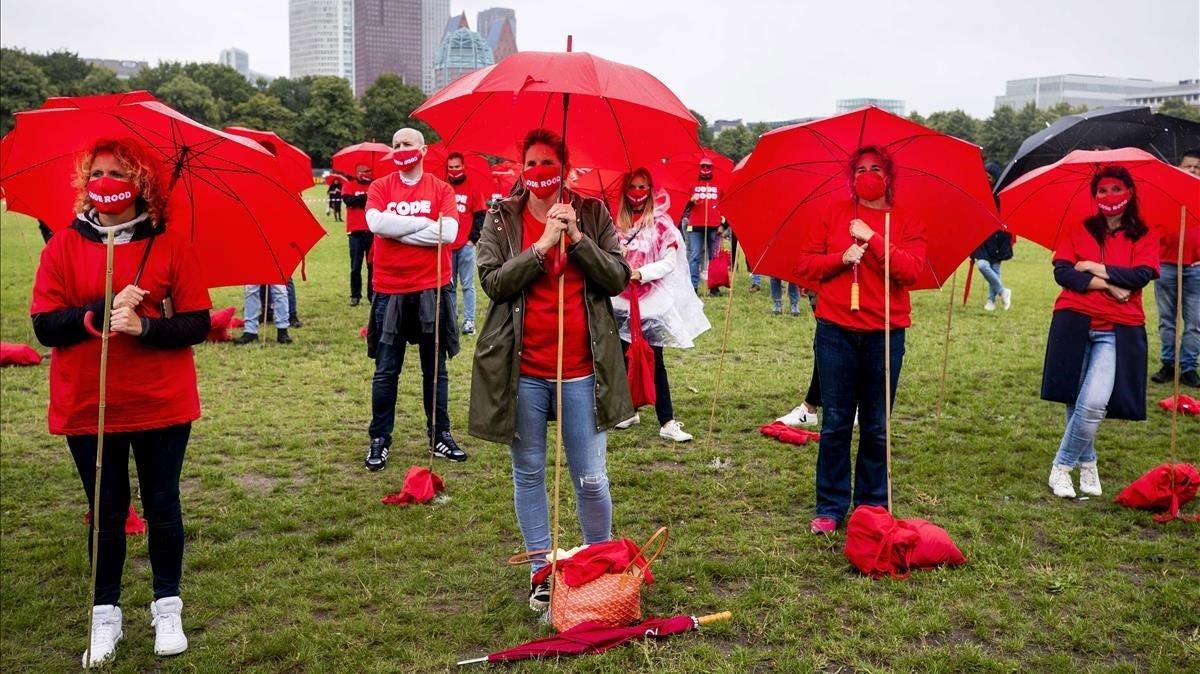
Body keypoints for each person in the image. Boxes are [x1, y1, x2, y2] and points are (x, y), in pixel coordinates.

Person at [30, 138, 211, 666]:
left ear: (142, 184)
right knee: (106, 512)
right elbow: (44, 326)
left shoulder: (170, 245)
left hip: (161, 403)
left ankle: (166, 604)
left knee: (162, 505)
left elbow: (197, 321)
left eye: (117, 173)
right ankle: (104, 613)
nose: (105, 182)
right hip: (90, 405)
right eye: (97, 173)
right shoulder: (62, 245)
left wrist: (144, 325)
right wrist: (99, 310)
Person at [468, 128, 632, 611]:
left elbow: (617, 277)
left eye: (548, 164)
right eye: (531, 164)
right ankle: (542, 568)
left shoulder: (594, 212)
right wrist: (540, 247)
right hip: (523, 372)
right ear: (521, 169)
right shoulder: (501, 219)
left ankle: (599, 559)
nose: (538, 173)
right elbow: (493, 283)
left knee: (590, 477)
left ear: (565, 168)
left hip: (583, 368)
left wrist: (577, 238)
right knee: (529, 472)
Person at [793, 145, 927, 534]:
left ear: (889, 175)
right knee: (835, 422)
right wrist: (841, 257)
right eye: (861, 169)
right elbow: (805, 265)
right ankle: (830, 506)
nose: (867, 174)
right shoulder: (832, 214)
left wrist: (875, 239)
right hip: (835, 333)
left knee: (876, 425)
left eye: (876, 168)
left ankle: (872, 505)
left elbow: (912, 271)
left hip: (886, 335)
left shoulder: (906, 219)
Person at [1042, 167, 1159, 498]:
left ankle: (1062, 466)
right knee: (1073, 397)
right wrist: (1108, 284)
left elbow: (1141, 275)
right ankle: (1088, 463)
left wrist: (1093, 266)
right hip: (1073, 321)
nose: (1109, 196)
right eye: (1102, 191)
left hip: (1118, 329)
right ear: (1095, 197)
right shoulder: (1079, 228)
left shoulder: (1145, 234)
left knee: (1093, 402)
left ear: (1130, 192)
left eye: (1116, 189)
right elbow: (1063, 272)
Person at [363, 128, 467, 471]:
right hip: (389, 289)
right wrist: (425, 223)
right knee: (385, 370)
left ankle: (440, 434)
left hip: (431, 288)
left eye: (407, 144)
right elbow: (376, 224)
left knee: (434, 370)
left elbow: (449, 234)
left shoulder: (440, 188)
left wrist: (399, 229)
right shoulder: (381, 186)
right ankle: (379, 438)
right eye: (395, 145)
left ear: (423, 150)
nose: (400, 149)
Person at [610, 168, 710, 442]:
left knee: (655, 361)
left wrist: (640, 273)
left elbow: (669, 262)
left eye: (643, 187)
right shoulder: (615, 223)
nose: (638, 193)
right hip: (620, 303)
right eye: (632, 186)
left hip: (651, 305)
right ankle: (629, 409)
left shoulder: (663, 224)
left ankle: (666, 420)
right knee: (621, 357)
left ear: (651, 190)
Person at [1150, 149, 1200, 388]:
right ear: (1178, 168)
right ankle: (1168, 364)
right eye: (1188, 166)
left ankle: (1189, 367)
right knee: (1167, 320)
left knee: (1194, 322)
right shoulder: (1165, 195)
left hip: (1196, 269)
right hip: (1167, 266)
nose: (1192, 170)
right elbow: (1151, 227)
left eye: (1197, 167)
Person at [445, 152, 487, 335]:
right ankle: (452, 319)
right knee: (450, 285)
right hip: (448, 245)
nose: (454, 170)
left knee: (468, 285)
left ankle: (469, 321)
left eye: (457, 166)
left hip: (465, 246)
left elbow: (480, 215)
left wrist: (472, 239)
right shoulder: (443, 188)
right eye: (451, 167)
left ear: (463, 167)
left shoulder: (473, 187)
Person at [972, 162, 1014, 311]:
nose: (987, 178)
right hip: (982, 236)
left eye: (989, 176)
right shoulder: (979, 190)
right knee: (983, 265)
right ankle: (1003, 291)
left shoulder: (1002, 195)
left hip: (998, 236)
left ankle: (991, 301)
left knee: (995, 269)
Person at [680, 157, 724, 294]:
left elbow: (725, 205)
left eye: (708, 167)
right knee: (694, 256)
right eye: (703, 166)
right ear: (699, 168)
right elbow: (682, 206)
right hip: (695, 225)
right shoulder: (691, 184)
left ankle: (714, 286)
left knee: (714, 257)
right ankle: (693, 286)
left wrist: (723, 225)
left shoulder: (719, 185)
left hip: (714, 226)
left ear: (712, 168)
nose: (705, 169)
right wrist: (690, 201)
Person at [343, 164, 374, 307]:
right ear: (357, 173)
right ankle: (355, 295)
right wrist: (366, 197)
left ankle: (372, 294)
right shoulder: (349, 186)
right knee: (355, 266)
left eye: (369, 171)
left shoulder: (375, 185)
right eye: (364, 171)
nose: (367, 174)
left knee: (372, 266)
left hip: (372, 232)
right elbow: (349, 201)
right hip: (355, 233)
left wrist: (363, 199)